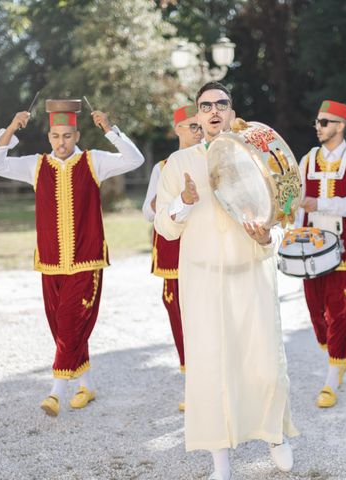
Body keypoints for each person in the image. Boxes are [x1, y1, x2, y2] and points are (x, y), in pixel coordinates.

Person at [154, 82, 298, 480]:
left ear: (232, 112)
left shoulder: (257, 152)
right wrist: (183, 202)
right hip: (202, 281)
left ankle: (275, 435)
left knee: (265, 361)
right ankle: (221, 465)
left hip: (252, 271)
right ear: (197, 116)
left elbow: (285, 215)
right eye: (206, 106)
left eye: (222, 104)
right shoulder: (178, 163)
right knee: (212, 369)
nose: (214, 111)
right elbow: (165, 228)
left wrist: (269, 237)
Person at [0, 100, 144, 416]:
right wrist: (13, 128)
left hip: (86, 260)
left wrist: (110, 129)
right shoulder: (36, 165)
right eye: (56, 137)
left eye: (67, 136)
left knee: (70, 320)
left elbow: (134, 158)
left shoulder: (94, 161)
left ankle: (56, 391)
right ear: (48, 138)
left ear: (76, 134)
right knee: (62, 325)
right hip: (50, 261)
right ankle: (86, 384)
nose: (62, 142)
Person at [297, 99, 346, 409]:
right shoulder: (306, 159)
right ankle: (336, 359)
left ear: (340, 125)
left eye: (325, 122)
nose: (319, 127)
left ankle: (331, 377)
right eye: (317, 121)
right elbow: (297, 200)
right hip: (310, 247)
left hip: (344, 248)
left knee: (340, 311)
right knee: (317, 311)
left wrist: (322, 204)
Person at [142, 105, 202, 411]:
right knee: (178, 317)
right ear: (176, 128)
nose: (197, 130)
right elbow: (148, 213)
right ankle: (191, 382)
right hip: (171, 255)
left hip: (204, 250)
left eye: (199, 125)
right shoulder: (163, 167)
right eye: (191, 125)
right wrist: (159, 205)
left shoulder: (211, 159)